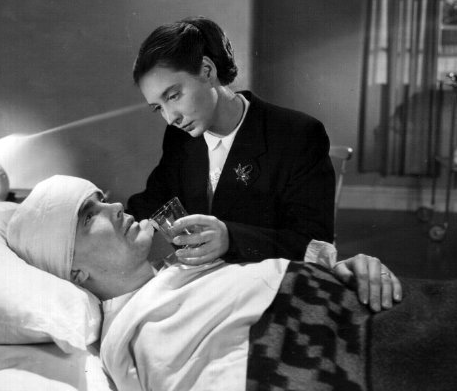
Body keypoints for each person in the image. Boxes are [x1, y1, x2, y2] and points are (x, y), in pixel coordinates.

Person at [7, 175, 457, 391]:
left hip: (432, 307)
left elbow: (276, 280)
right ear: (75, 273)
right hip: (429, 352)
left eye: (101, 198)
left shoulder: (180, 275)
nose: (115, 206)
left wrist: (344, 268)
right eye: (88, 215)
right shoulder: (150, 337)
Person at [127, 16, 336, 265]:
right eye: (158, 107)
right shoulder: (179, 137)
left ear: (207, 71)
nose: (171, 117)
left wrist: (231, 238)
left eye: (173, 96)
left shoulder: (297, 134)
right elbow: (153, 200)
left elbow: (315, 244)